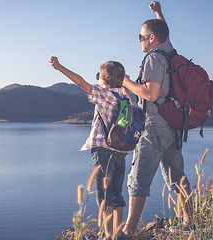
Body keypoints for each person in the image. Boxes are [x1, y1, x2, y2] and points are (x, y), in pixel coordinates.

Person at [121, 1, 193, 237]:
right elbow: (165, 32)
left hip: (153, 128)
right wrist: (158, 13)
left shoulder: (154, 58)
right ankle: (188, 221)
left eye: (140, 37)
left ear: (151, 38)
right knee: (177, 177)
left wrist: (127, 82)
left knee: (138, 179)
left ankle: (129, 230)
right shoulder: (170, 52)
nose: (139, 40)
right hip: (174, 126)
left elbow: (151, 92)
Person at [49, 56, 130, 239]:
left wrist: (59, 67)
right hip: (121, 151)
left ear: (102, 80)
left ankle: (109, 234)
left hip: (103, 149)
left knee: (104, 195)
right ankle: (119, 233)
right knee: (117, 193)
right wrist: (122, 82)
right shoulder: (124, 97)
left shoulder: (103, 95)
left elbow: (80, 81)